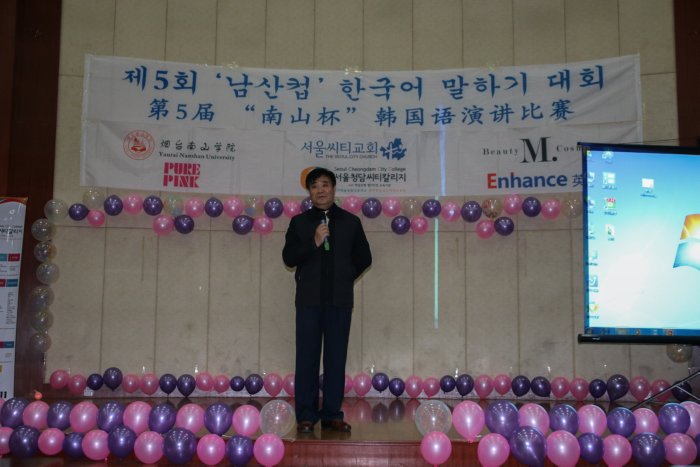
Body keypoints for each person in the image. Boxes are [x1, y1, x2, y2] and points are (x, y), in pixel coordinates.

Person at [282, 167, 372, 434]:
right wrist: (314, 241)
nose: (320, 190)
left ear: (333, 188)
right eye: (314, 186)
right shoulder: (299, 223)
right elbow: (289, 258)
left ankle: (332, 413)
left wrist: (344, 277)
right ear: (309, 192)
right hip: (308, 300)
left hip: (339, 300)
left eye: (324, 184)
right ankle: (306, 415)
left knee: (335, 359)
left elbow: (364, 258)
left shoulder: (350, 222)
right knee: (306, 358)